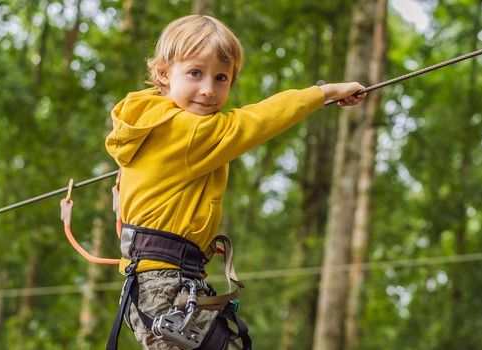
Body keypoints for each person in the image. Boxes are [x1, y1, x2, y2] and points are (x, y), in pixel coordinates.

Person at [104, 14, 366, 350]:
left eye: (221, 77)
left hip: (161, 284)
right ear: (164, 74)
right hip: (163, 288)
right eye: (195, 73)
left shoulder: (150, 124)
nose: (208, 89)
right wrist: (323, 92)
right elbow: (254, 121)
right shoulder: (189, 131)